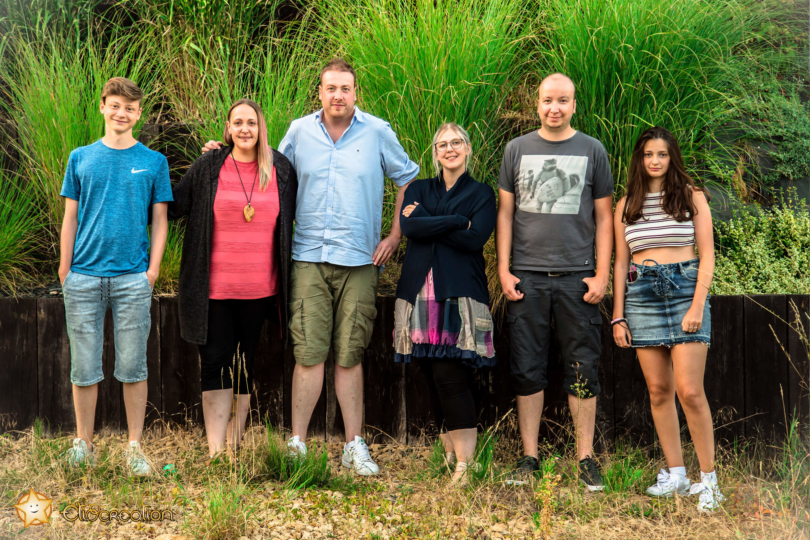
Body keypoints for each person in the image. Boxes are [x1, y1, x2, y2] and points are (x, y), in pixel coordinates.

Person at [203, 58, 419, 475]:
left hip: (359, 260)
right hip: (307, 260)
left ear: (356, 93)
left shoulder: (378, 132)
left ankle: (354, 446)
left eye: (345, 88)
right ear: (318, 92)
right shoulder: (300, 132)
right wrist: (222, 150)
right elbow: (265, 166)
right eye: (330, 88)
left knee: (350, 355)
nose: (337, 95)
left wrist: (395, 235)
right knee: (308, 355)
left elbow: (407, 178)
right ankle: (297, 443)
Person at [496, 73, 614, 489]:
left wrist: (602, 273)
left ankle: (585, 458)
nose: (555, 108)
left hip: (577, 279)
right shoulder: (517, 149)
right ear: (537, 103)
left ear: (574, 105)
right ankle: (529, 457)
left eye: (563, 101)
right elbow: (505, 214)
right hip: (526, 276)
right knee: (527, 368)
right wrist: (504, 268)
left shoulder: (592, 150)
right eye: (548, 100)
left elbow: (604, 218)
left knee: (583, 366)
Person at [169, 99, 297, 460]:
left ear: (261, 128)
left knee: (245, 363)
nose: (245, 129)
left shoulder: (282, 169)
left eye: (251, 123)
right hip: (213, 290)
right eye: (238, 123)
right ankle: (215, 450)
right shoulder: (210, 164)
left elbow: (297, 215)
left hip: (259, 290)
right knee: (214, 363)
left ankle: (234, 444)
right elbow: (175, 205)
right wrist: (150, 171)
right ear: (227, 128)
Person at [59, 77, 172, 475]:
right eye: (115, 105)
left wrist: (152, 271)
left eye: (130, 108)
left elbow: (160, 222)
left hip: (132, 279)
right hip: (84, 277)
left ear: (139, 114)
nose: (122, 113)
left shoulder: (155, 162)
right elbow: (70, 216)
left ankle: (134, 448)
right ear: (103, 106)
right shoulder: (81, 157)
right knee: (84, 367)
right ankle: (83, 444)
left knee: (132, 367)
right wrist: (65, 268)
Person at [612, 126, 722, 512]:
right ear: (639, 160)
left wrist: (696, 305)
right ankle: (676, 473)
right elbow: (621, 263)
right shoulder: (626, 204)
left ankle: (709, 481)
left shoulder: (692, 197)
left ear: (672, 157)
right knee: (658, 390)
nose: (654, 161)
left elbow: (707, 255)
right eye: (647, 155)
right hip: (641, 296)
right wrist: (617, 316)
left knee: (689, 390)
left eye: (661, 154)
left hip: (684, 290)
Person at [394, 123, 497, 483]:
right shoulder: (419, 188)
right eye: (442, 145)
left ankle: (466, 465)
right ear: (435, 152)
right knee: (429, 374)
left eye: (456, 143)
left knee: (451, 376)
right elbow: (409, 230)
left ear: (468, 149)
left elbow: (475, 239)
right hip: (418, 292)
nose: (449, 149)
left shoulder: (482, 193)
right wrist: (455, 220)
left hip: (460, 292)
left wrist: (427, 219)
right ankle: (450, 455)